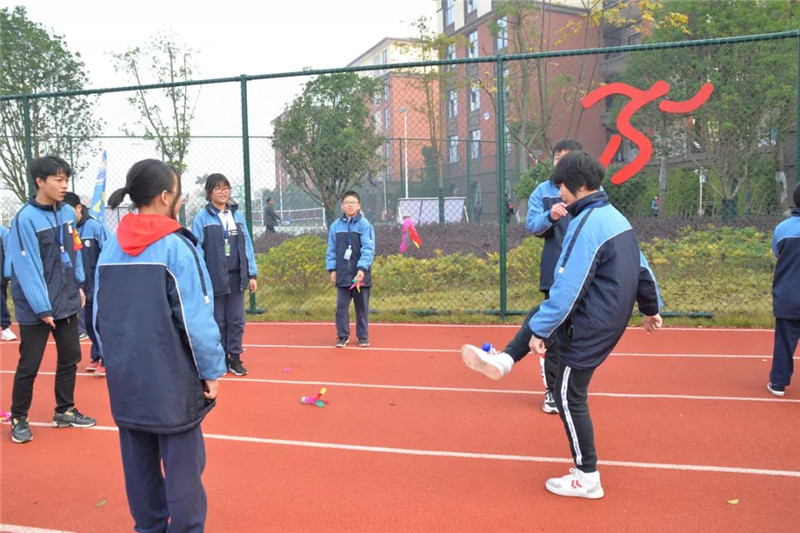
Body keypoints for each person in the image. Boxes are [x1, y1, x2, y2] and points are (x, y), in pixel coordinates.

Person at [462, 151, 662, 499]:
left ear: (580, 186)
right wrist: (651, 307)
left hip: (591, 323)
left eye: (563, 188)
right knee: (540, 313)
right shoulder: (616, 218)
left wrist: (542, 332)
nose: (560, 195)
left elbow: (569, 288)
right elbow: (642, 268)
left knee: (569, 396)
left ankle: (587, 477)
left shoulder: (586, 225)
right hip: (608, 317)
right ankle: (506, 360)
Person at [94, 159, 226, 532]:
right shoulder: (176, 247)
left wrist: (115, 362)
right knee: (183, 469)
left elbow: (98, 317)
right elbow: (196, 320)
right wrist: (211, 371)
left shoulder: (110, 247)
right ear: (167, 195)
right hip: (172, 380)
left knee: (138, 465)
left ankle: (149, 528)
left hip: (127, 379)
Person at [463, 139, 582, 415]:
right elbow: (531, 225)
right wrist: (550, 217)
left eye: (567, 158)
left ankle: (517, 362)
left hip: (587, 274)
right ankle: (553, 391)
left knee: (571, 333)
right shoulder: (544, 191)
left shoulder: (590, 194)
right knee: (550, 331)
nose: (560, 164)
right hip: (556, 273)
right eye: (557, 158)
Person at [6, 155, 95, 444]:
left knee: (70, 356)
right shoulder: (25, 219)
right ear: (40, 181)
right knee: (29, 365)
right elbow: (26, 267)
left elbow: (74, 249)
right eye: (58, 179)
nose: (63, 184)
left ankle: (64, 409)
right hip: (37, 307)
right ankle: (19, 417)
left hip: (66, 298)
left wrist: (79, 284)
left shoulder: (68, 213)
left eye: (66, 179)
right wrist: (42, 306)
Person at [191, 173, 258, 376]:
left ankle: (235, 358)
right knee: (217, 321)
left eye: (226, 188)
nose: (223, 192)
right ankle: (219, 359)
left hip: (237, 277)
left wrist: (252, 273)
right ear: (209, 192)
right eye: (218, 188)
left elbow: (247, 246)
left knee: (237, 320)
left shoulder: (237, 216)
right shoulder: (202, 219)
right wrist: (202, 278)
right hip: (214, 279)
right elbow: (197, 250)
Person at [63, 192, 107, 376]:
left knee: (99, 323)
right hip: (81, 286)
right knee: (88, 323)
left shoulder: (95, 227)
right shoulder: (68, 230)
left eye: (69, 210)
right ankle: (96, 355)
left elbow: (108, 251)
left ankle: (106, 359)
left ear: (78, 208)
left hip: (98, 285)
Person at [326, 191, 375, 347]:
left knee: (361, 308)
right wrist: (332, 269)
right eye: (347, 202)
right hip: (342, 274)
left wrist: (362, 269)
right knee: (341, 308)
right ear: (342, 206)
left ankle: (362, 336)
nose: (350, 205)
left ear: (359, 205)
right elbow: (331, 250)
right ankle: (342, 335)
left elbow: (368, 248)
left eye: (353, 202)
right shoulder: (335, 226)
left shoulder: (364, 225)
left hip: (360, 276)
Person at [767, 182, 800, 397]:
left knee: (784, 342)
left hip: (789, 295)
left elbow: (777, 253)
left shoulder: (783, 228)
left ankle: (778, 382)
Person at [1, 224, 17, 341]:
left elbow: (9, 252)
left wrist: (7, 273)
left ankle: (5, 327)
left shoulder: (2, 232)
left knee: (1, 299)